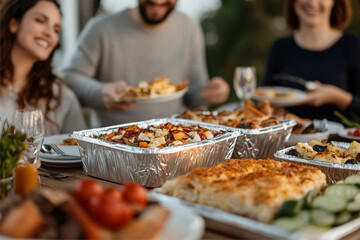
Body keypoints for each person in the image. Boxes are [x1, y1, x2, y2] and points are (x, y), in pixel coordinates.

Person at [62, 0, 230, 127]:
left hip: (173, 140)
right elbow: (69, 78)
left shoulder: (189, 27)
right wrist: (101, 92)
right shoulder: (100, 29)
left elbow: (192, 93)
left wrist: (206, 93)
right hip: (114, 145)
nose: (157, 1)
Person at [262, 0, 360, 122]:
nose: (312, 3)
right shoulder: (280, 47)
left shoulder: (353, 45)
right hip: (290, 140)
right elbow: (262, 103)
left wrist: (337, 97)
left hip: (340, 140)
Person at [0, 0, 86, 135]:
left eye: (56, 29)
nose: (49, 33)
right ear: (14, 23)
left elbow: (80, 150)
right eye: (40, 20)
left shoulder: (60, 96)